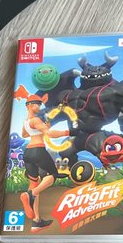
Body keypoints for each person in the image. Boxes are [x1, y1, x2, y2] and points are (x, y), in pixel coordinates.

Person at [20, 94, 70, 232]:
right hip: (38, 151)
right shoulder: (35, 119)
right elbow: (50, 134)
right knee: (53, 174)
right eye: (37, 104)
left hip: (28, 153)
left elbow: (25, 135)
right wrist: (67, 131)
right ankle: (30, 195)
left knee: (34, 183)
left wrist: (40, 128)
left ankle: (36, 222)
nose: (39, 107)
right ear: (29, 105)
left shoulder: (26, 121)